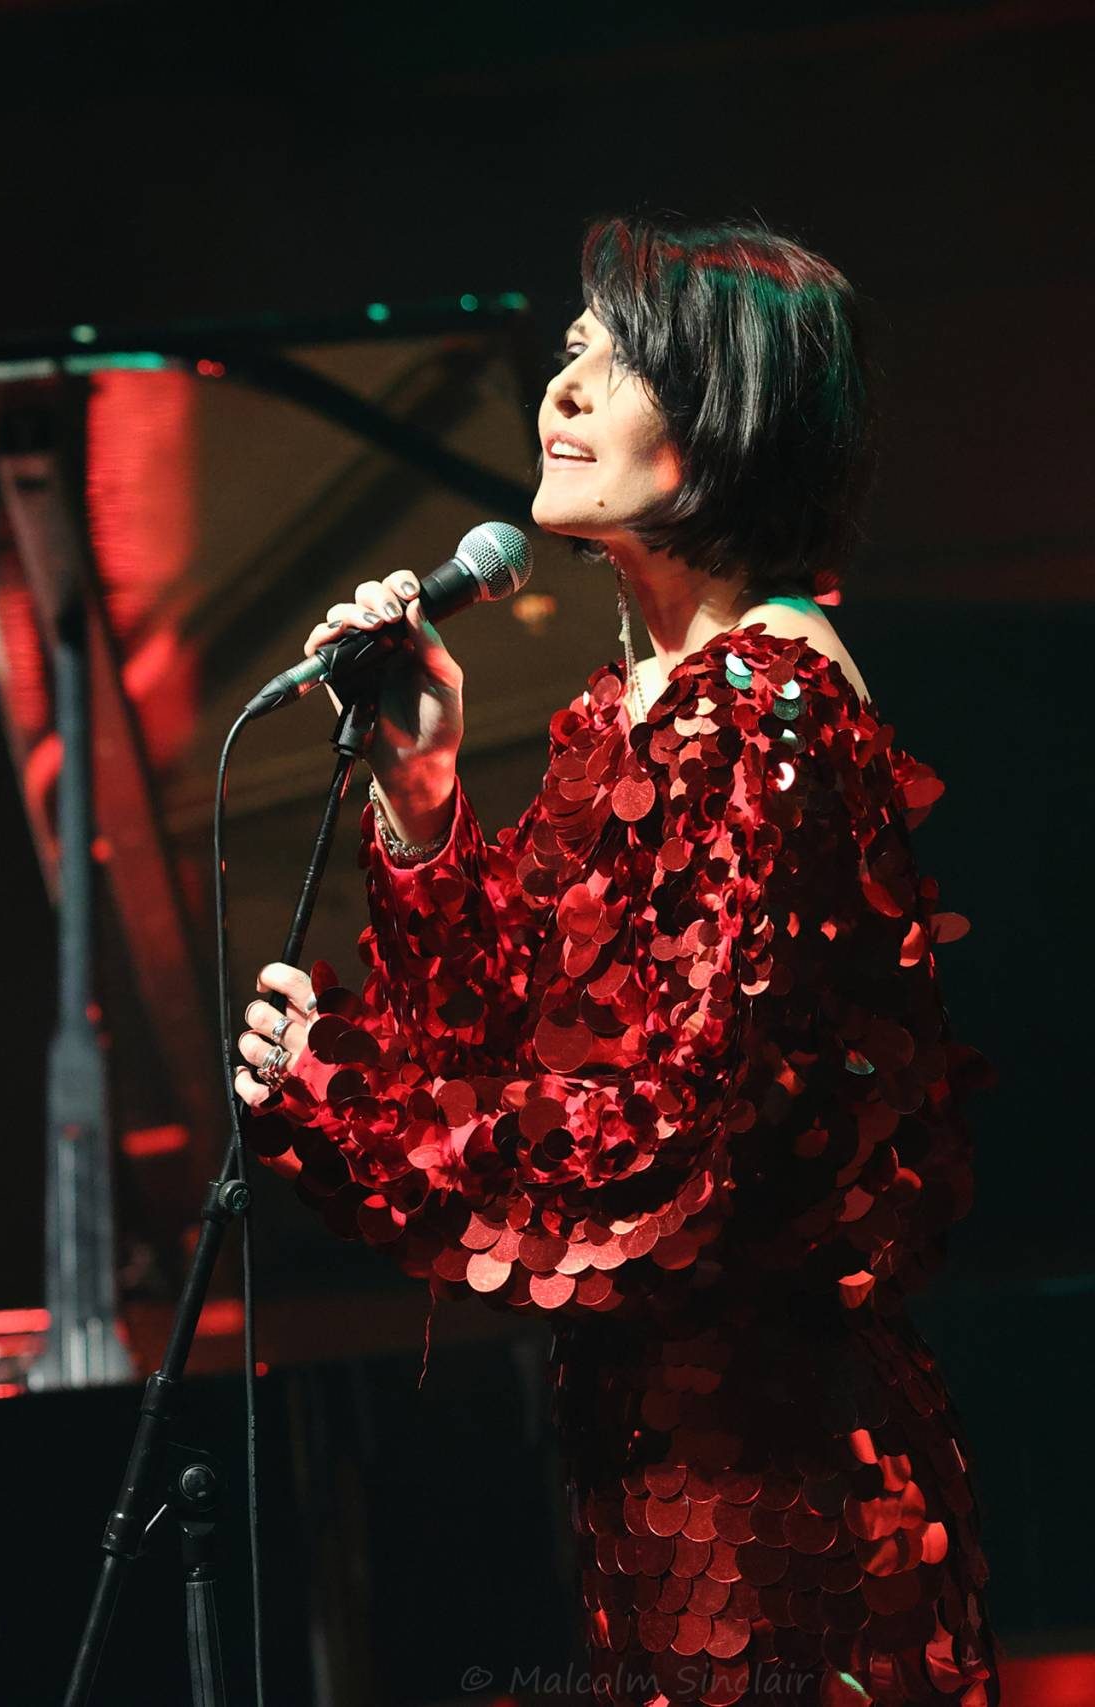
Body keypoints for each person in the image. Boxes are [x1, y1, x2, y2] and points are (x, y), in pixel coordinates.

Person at [230, 218, 995, 1707]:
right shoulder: (638, 708)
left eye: (619, 359)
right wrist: (423, 793)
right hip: (658, 1484)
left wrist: (342, 1102)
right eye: (570, 350)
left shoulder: (765, 711)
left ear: (731, 419)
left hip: (777, 1510)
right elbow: (506, 1036)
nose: (562, 388)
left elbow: (659, 1149)